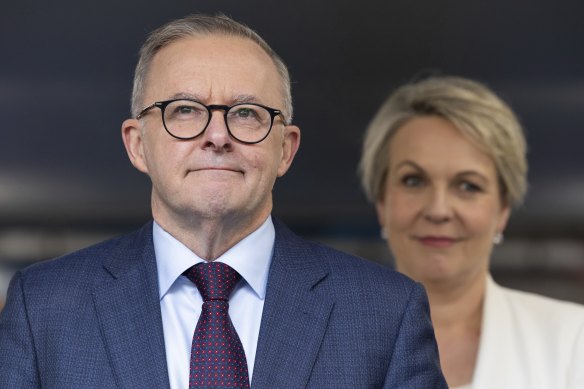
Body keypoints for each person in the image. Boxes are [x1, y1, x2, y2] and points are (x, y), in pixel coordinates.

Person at [0, 14, 447, 388]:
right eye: (185, 110)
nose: (217, 136)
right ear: (137, 145)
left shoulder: (387, 313)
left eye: (247, 113)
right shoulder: (43, 307)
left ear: (286, 149)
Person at [358, 75, 584, 389]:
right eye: (413, 181)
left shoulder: (574, 340)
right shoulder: (321, 340)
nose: (438, 209)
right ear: (382, 201)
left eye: (468, 186)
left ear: (503, 209)